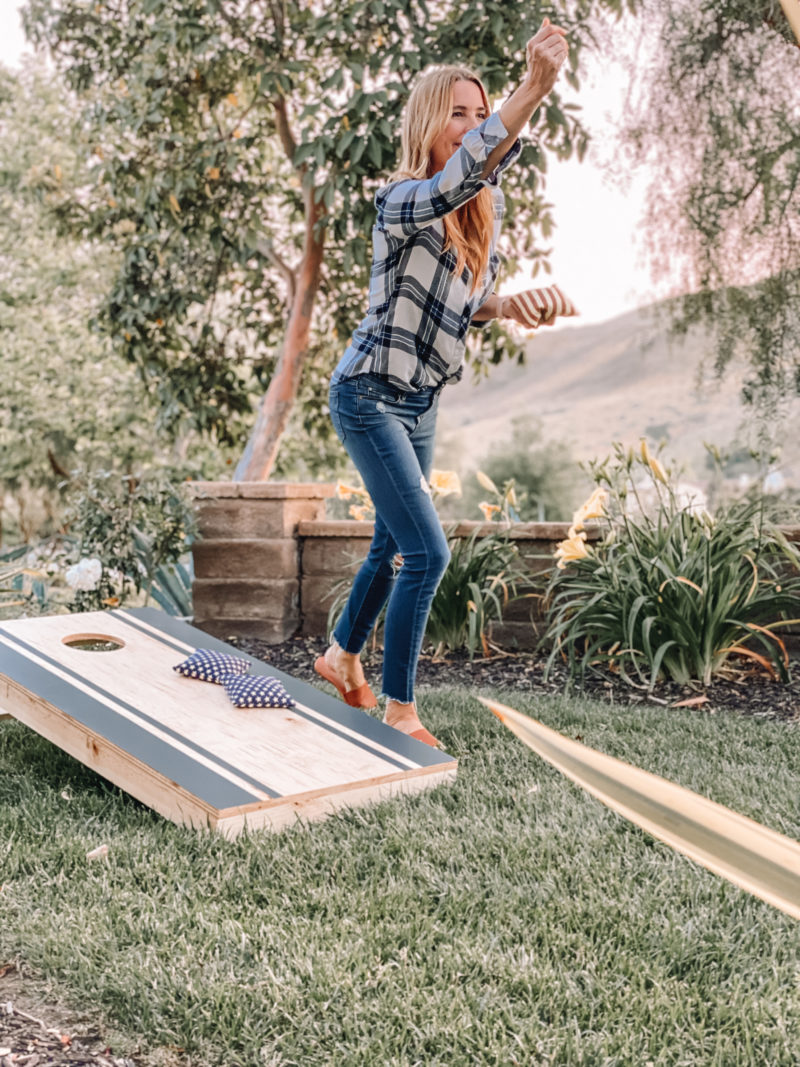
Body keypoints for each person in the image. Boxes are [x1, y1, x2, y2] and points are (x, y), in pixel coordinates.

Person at [314, 19, 570, 747]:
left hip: (419, 403)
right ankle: (400, 710)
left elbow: (466, 304)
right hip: (366, 393)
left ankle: (340, 656)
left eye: (478, 109)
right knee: (427, 552)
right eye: (458, 112)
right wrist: (531, 88)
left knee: (390, 547)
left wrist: (508, 303)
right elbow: (466, 174)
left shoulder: (478, 222)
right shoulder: (400, 199)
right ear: (428, 120)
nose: (472, 123)